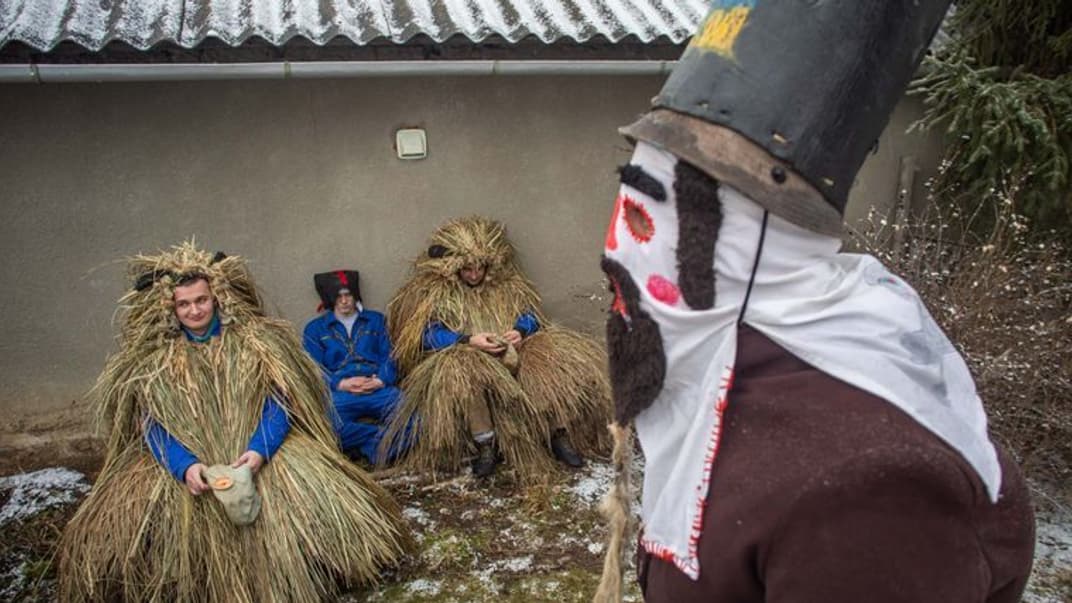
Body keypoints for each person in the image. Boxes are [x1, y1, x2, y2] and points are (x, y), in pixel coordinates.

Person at [594, 2, 1035, 602]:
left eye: (645, 219)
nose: (615, 255)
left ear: (744, 248)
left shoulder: (869, 494)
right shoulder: (720, 368)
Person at [59, 242, 408, 602]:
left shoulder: (254, 345)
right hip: (196, 466)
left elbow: (279, 405)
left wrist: (258, 452)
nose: (194, 310)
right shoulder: (154, 362)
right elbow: (152, 425)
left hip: (256, 453)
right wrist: (186, 468)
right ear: (171, 307)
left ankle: (303, 573)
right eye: (184, 303)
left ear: (216, 298)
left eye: (202, 300)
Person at [383, 216, 611, 481]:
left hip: (511, 350)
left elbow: (531, 315)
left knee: (542, 368)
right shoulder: (436, 294)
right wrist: (467, 340)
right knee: (465, 378)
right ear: (455, 267)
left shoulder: (508, 288)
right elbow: (424, 335)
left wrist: (520, 331)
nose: (474, 275)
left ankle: (557, 435)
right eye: (467, 269)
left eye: (479, 268)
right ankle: (486, 445)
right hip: (467, 355)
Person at [303, 270, 405, 464]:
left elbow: (391, 355)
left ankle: (365, 448)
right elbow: (313, 367)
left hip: (376, 387)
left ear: (355, 295)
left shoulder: (376, 320)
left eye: (348, 295)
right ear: (329, 299)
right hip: (340, 393)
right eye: (338, 296)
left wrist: (380, 380)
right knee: (325, 427)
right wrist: (340, 384)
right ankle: (379, 443)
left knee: (416, 419)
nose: (344, 301)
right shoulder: (315, 329)